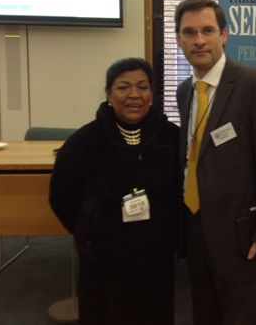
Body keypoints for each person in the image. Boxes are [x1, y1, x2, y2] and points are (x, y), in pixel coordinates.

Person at [175, 0, 256, 325]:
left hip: (247, 237)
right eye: (189, 32)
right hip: (198, 229)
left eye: (207, 30)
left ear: (224, 35)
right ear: (179, 39)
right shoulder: (185, 91)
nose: (199, 40)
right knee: (206, 314)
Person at [49, 58, 180, 325]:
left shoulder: (171, 137)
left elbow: (182, 192)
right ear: (109, 93)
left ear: (152, 93)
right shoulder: (84, 142)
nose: (134, 95)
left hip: (156, 259)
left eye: (142, 86)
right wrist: (90, 232)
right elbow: (62, 197)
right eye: (123, 87)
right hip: (103, 260)